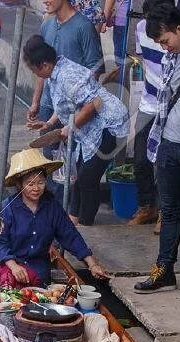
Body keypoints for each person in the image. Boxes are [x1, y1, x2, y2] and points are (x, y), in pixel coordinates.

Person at [134, 2, 180, 291]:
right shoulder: (171, 56)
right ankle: (164, 269)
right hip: (167, 144)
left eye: (165, 41)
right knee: (168, 211)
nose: (164, 48)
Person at [23, 35, 129, 225]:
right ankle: (73, 218)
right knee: (79, 176)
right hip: (88, 129)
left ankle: (85, 223)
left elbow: (94, 103)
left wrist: (70, 128)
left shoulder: (66, 75)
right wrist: (49, 123)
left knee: (88, 178)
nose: (35, 75)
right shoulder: (55, 74)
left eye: (34, 70)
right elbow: (65, 103)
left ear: (45, 65)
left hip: (108, 124)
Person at [0, 149, 109, 289]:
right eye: (30, 184)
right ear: (20, 185)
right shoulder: (7, 208)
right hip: (11, 266)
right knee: (10, 294)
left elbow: (70, 236)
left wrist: (92, 264)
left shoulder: (52, 207)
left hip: (39, 269)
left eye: (41, 182)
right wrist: (13, 266)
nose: (36, 188)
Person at [29, 0, 104, 125]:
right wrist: (36, 102)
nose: (44, 1)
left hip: (74, 108)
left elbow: (94, 71)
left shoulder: (84, 27)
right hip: (48, 103)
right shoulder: (46, 26)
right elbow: (40, 68)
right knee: (47, 143)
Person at [128, 27, 165, 225]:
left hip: (168, 107)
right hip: (147, 104)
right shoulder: (141, 28)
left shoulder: (174, 30)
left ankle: (163, 214)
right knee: (141, 159)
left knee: (164, 163)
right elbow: (142, 60)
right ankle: (146, 207)